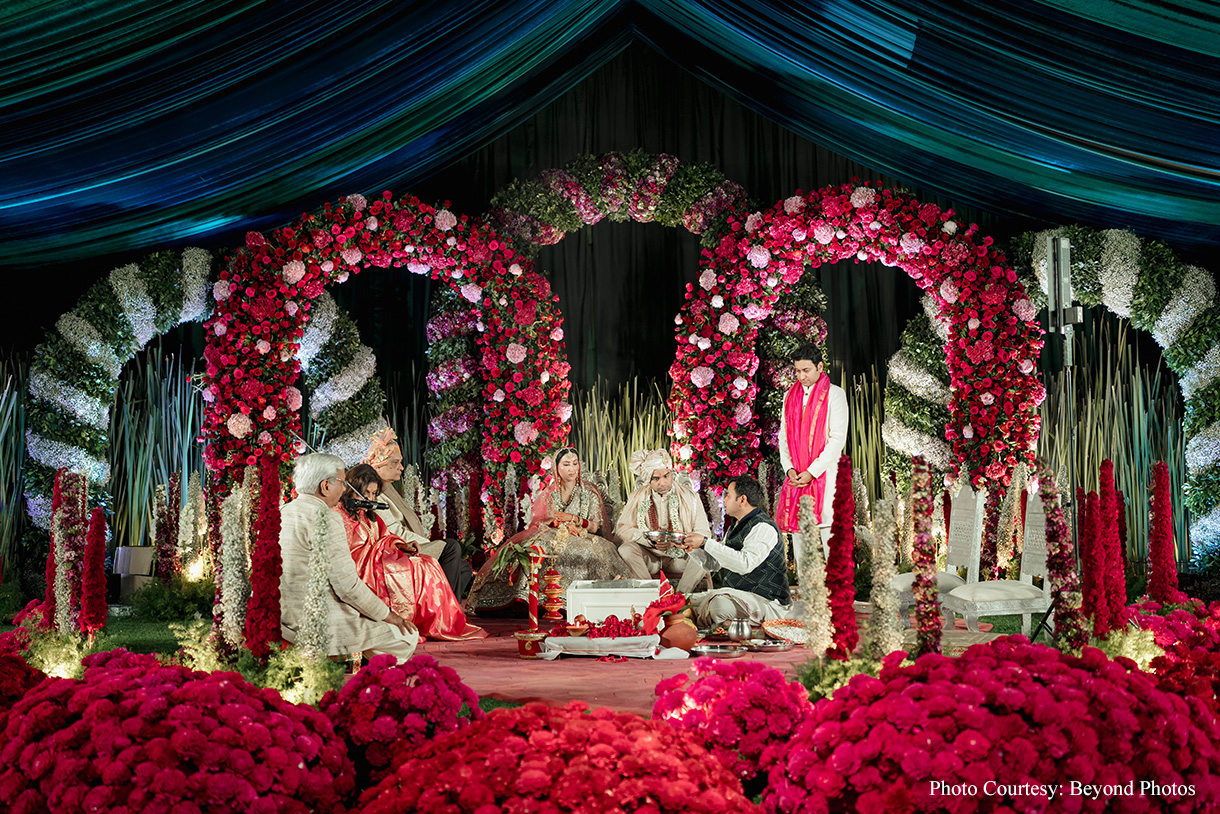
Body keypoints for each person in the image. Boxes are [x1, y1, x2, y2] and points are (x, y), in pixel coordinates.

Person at [279, 453, 419, 662]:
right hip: (317, 618)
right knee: (407, 636)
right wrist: (390, 615)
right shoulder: (327, 517)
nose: (345, 489)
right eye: (343, 483)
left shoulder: (283, 511)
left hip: (282, 614)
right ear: (325, 486)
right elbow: (347, 587)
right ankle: (350, 665)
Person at [466, 447, 631, 611]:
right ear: (556, 468)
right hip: (556, 533)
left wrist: (574, 519)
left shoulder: (589, 493)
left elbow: (595, 526)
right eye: (566, 464)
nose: (572, 469)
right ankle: (529, 597)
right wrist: (562, 525)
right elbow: (543, 522)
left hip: (584, 536)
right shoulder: (551, 493)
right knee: (537, 547)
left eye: (575, 464)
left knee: (587, 551)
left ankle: (571, 599)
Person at [337, 464, 487, 642]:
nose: (369, 498)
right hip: (365, 567)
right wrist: (379, 552)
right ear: (351, 489)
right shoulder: (339, 514)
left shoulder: (366, 513)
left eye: (373, 494)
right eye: (366, 493)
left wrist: (402, 546)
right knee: (416, 567)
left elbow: (385, 537)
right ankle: (414, 621)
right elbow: (348, 551)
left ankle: (437, 621)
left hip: (382, 558)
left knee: (426, 563)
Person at [365, 427, 472, 600]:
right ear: (379, 465)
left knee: (463, 568)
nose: (400, 467)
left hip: (407, 544)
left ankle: (441, 608)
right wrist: (431, 544)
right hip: (397, 549)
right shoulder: (373, 491)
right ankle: (445, 614)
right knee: (451, 547)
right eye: (395, 463)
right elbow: (394, 533)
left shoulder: (386, 487)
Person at [683, 475, 794, 627]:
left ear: (742, 500)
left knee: (719, 605)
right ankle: (728, 624)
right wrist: (690, 547)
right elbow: (713, 564)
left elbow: (744, 564)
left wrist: (705, 542)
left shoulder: (763, 527)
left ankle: (736, 627)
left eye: (728, 495)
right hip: (739, 597)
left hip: (766, 602)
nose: (724, 500)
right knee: (685, 601)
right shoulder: (735, 527)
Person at [775, 342, 848, 571]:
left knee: (828, 528)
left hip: (825, 475)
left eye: (806, 370)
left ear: (820, 367)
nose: (801, 376)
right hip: (796, 475)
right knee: (799, 530)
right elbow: (783, 437)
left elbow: (837, 440)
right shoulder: (789, 395)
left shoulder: (835, 395)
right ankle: (807, 588)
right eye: (797, 370)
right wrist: (789, 469)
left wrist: (812, 472)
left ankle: (837, 590)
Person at [615, 448, 712, 594]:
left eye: (666, 476)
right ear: (648, 479)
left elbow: (704, 533)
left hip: (679, 559)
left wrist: (679, 540)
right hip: (650, 559)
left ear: (671, 473)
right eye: (656, 478)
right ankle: (650, 597)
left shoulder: (690, 497)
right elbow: (622, 530)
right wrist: (648, 539)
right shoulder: (637, 497)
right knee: (626, 549)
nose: (663, 482)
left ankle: (680, 597)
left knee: (705, 555)